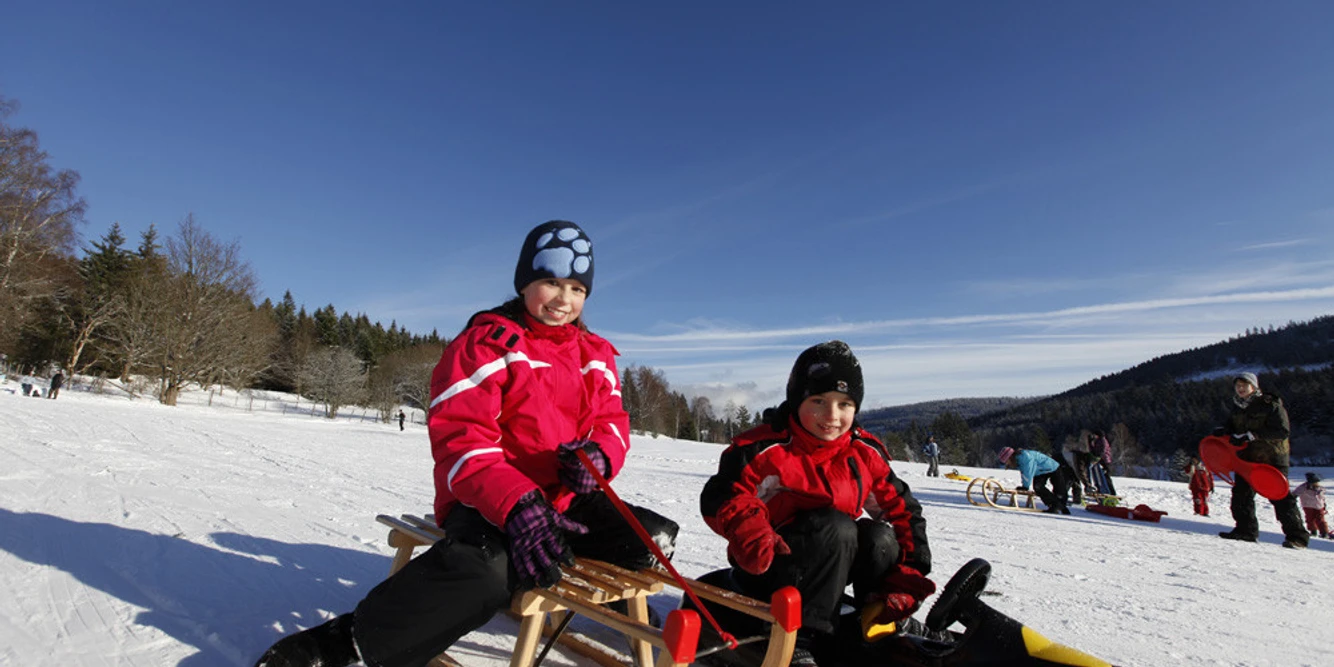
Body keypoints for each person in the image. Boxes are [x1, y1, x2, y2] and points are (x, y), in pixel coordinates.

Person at [254, 220, 680, 667]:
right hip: (485, 500)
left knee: (651, 538)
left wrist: (598, 458)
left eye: (576, 289)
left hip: (562, 501)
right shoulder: (488, 344)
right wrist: (515, 502)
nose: (563, 300)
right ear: (525, 283)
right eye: (551, 282)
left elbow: (613, 424)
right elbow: (462, 439)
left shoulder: (592, 353)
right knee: (484, 572)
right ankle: (347, 645)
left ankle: (608, 609)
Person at [700, 341, 933, 667]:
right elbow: (723, 495)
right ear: (797, 401)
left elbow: (904, 512)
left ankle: (879, 618)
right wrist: (751, 530)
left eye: (844, 404)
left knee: (879, 537)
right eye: (819, 401)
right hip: (769, 568)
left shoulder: (863, 452)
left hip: (829, 571)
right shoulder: (768, 447)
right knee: (834, 527)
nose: (832, 416)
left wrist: (908, 574)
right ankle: (800, 640)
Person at [1215, 372, 1309, 549]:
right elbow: (1232, 427)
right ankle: (1245, 531)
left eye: (1244, 385)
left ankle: (1298, 537)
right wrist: (1224, 431)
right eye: (1238, 386)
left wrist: (1252, 436)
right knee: (1241, 495)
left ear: (1254, 387)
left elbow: (1282, 431)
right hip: (1247, 459)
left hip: (1272, 458)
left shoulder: (1270, 405)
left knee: (1280, 497)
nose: (1240, 389)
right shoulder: (1238, 407)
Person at [997, 446, 1071, 515]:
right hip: (1040, 471)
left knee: (1060, 489)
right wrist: (1024, 485)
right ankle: (1054, 505)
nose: (1007, 464)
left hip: (1052, 467)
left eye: (1007, 461)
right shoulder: (1018, 460)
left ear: (1010, 457)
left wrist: (1025, 486)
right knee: (1038, 487)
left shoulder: (1025, 457)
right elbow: (1024, 473)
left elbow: (1027, 472)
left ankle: (1061, 506)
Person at [1294, 472, 1329, 539]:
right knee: (1310, 519)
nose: (1317, 484)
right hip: (1308, 506)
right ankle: (1313, 531)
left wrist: (1324, 505)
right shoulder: (1303, 487)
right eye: (1315, 482)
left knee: (1320, 520)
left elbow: (1322, 497)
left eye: (1317, 482)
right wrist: (1293, 497)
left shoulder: (1320, 488)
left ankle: (1324, 533)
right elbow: (1296, 493)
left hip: (1319, 507)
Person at [1087, 430, 1117, 496]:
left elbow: (1102, 451)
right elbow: (1093, 451)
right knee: (1099, 476)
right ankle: (1101, 489)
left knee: (1106, 477)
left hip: (1105, 461)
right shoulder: (1097, 441)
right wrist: (1090, 442)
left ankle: (1111, 492)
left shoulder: (1103, 441)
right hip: (1099, 461)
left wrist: (1098, 457)